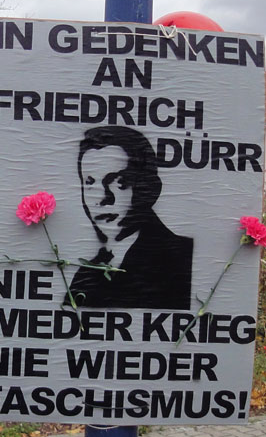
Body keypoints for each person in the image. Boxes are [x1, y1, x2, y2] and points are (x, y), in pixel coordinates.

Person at [68, 125, 193, 309]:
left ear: (148, 188)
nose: (102, 198)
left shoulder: (179, 260)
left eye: (117, 181)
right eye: (90, 183)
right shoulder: (86, 274)